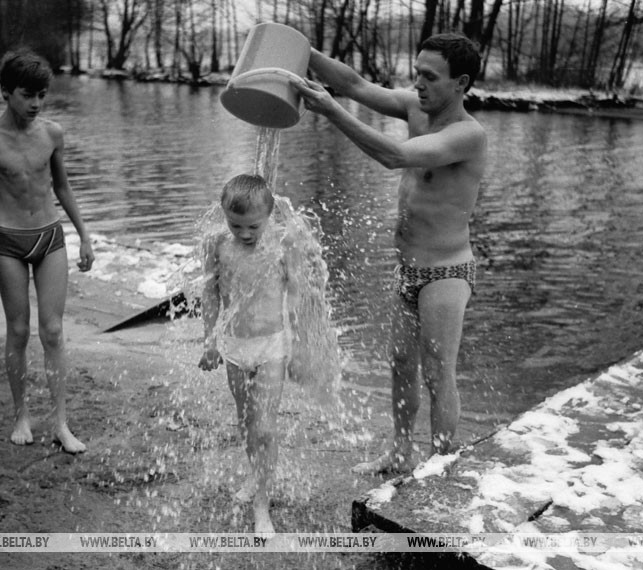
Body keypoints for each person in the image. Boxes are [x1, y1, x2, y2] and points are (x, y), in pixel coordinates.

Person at [293, 33, 487, 473]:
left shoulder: (468, 135)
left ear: (461, 83)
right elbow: (357, 85)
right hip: (408, 269)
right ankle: (400, 452)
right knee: (401, 363)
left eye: (429, 77)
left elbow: (396, 156)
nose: (418, 83)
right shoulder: (415, 107)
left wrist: (329, 109)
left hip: (447, 271)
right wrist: (302, 50)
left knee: (438, 374)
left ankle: (441, 465)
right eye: (416, 72)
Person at [0, 48, 95, 454]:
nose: (36, 104)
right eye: (28, 95)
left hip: (49, 236)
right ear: (6, 92)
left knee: (54, 330)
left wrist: (85, 236)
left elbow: (62, 187)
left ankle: (61, 423)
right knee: (19, 331)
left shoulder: (52, 133)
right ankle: (21, 414)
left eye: (42, 95)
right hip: (8, 240)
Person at [198, 174, 298, 535]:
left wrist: (299, 347)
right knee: (245, 421)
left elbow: (301, 296)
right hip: (235, 347)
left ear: (269, 215)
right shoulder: (217, 243)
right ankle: (255, 476)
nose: (243, 233)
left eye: (252, 225)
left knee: (265, 427)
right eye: (234, 224)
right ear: (223, 215)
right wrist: (210, 340)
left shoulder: (283, 243)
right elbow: (209, 293)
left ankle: (262, 506)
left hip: (272, 344)